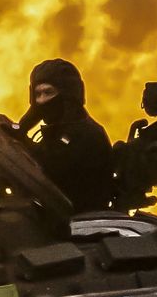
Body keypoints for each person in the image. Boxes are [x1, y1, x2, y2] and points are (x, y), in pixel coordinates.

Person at [17, 58, 114, 213]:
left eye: (48, 92)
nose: (41, 101)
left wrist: (21, 139)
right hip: (58, 216)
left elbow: (48, 166)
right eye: (37, 94)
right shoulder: (60, 131)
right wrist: (18, 128)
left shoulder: (84, 133)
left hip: (80, 220)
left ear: (68, 94)